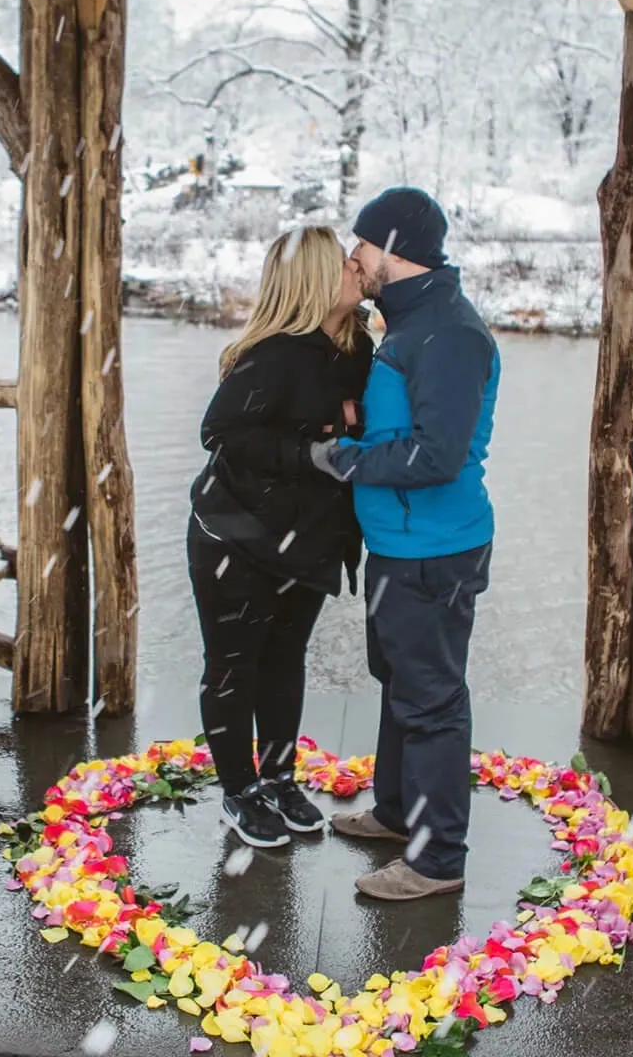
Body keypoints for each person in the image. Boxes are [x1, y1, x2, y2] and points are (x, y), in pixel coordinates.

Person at [309, 187, 499, 901]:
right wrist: (358, 429)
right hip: (400, 544)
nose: (353, 257)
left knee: (431, 700)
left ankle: (438, 860)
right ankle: (397, 814)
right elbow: (404, 430)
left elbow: (438, 456)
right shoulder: (410, 323)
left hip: (434, 549)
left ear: (391, 249)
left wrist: (343, 460)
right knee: (401, 684)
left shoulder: (448, 332)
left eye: (360, 243)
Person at [189, 226, 372, 849]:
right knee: (236, 664)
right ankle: (239, 791)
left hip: (308, 539)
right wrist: (311, 450)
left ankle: (279, 778)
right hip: (237, 536)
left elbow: (356, 414)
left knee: (285, 660)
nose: (357, 268)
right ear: (315, 281)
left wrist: (350, 423)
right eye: (345, 263)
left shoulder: (356, 346)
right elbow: (221, 433)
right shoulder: (271, 357)